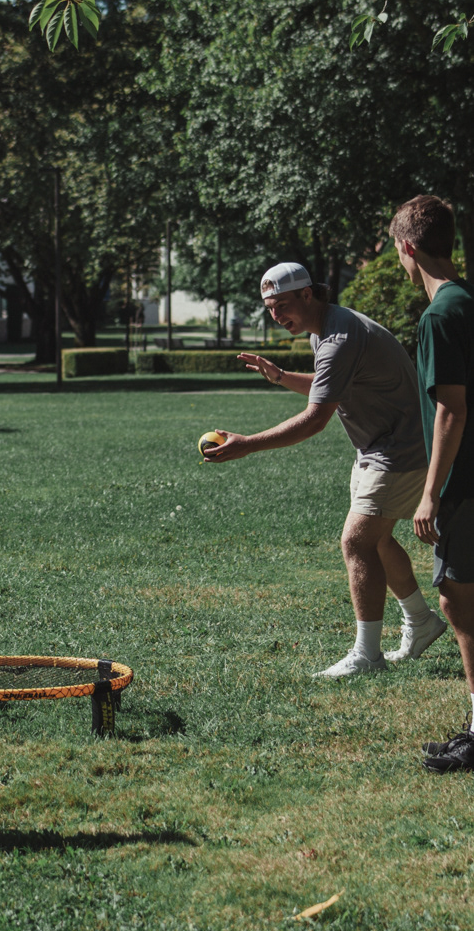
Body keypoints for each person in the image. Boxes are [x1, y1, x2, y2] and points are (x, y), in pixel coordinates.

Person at [203, 261, 446, 676]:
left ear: (307, 294)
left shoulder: (338, 336)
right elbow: (329, 384)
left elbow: (315, 419)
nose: (276, 316)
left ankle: (367, 655)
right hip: (377, 447)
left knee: (357, 542)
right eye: (270, 309)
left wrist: (249, 444)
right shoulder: (328, 328)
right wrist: (281, 376)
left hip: (399, 449)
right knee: (377, 541)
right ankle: (421, 621)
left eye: (282, 305)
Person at [391, 195, 474, 772]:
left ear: (408, 247)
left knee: (458, 598)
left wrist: (429, 493)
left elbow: (451, 411)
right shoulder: (468, 301)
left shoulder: (441, 315)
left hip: (465, 484)